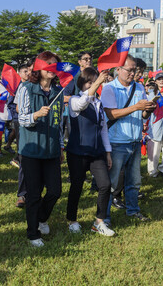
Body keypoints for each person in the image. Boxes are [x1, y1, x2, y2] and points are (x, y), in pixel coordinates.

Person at [16, 51, 64, 247]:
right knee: (33, 194)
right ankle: (33, 233)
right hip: (31, 150)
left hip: (52, 150)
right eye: (48, 64)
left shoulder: (58, 91)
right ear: (39, 67)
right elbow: (21, 119)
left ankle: (41, 218)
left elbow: (59, 122)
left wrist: (60, 146)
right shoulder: (27, 88)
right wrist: (35, 115)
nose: (52, 68)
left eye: (55, 64)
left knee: (55, 191)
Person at [101, 55, 156, 223]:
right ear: (118, 69)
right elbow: (110, 114)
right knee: (111, 183)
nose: (133, 73)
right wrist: (136, 107)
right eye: (129, 70)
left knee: (134, 181)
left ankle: (133, 210)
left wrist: (148, 109)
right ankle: (105, 217)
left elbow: (143, 114)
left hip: (135, 141)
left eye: (135, 70)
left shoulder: (139, 87)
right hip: (117, 142)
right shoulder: (109, 88)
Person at [65, 67, 115, 236]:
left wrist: (107, 152)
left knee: (105, 184)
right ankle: (72, 219)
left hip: (97, 152)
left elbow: (103, 130)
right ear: (82, 83)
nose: (93, 84)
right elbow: (81, 104)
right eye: (89, 81)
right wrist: (97, 85)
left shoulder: (98, 103)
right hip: (77, 151)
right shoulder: (74, 100)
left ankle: (99, 221)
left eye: (95, 81)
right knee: (77, 186)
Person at [8, 62, 32, 207]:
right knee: (23, 157)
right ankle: (22, 194)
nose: (28, 74)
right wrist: (18, 114)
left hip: (35, 124)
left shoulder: (37, 86)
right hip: (20, 123)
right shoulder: (17, 88)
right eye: (25, 71)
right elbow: (12, 105)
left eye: (30, 71)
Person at [147, 72, 163, 178]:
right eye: (159, 79)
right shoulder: (152, 93)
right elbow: (149, 107)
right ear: (155, 81)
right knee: (154, 151)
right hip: (155, 126)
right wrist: (159, 97)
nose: (162, 81)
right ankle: (152, 171)